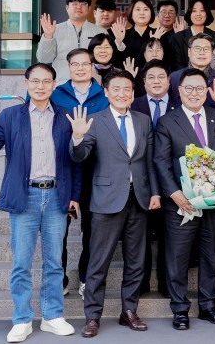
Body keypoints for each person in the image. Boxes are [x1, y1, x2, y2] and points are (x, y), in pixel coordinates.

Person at [0, 63, 80, 343]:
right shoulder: (11, 116)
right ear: (26, 83)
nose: (40, 86)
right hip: (25, 196)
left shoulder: (66, 116)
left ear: (54, 85)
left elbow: (76, 160)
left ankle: (52, 316)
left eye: (46, 81)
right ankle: (21, 319)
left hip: (56, 196)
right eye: (35, 81)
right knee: (21, 262)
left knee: (54, 262)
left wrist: (75, 195)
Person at [68, 70, 161, 337]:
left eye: (127, 89)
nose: (122, 94)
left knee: (136, 261)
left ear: (133, 93)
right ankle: (92, 316)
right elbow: (79, 156)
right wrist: (77, 137)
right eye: (116, 89)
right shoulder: (95, 120)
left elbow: (150, 160)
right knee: (98, 262)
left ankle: (129, 310)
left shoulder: (143, 121)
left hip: (139, 199)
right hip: (106, 200)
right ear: (106, 93)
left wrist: (155, 193)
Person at [154, 68, 215, 330]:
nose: (194, 93)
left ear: (207, 91)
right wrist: (174, 193)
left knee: (210, 255)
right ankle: (179, 309)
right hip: (181, 203)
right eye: (189, 88)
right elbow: (160, 161)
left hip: (211, 202)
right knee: (178, 257)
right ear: (179, 91)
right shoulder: (167, 121)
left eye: (200, 88)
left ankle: (208, 305)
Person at [50, 48, 109, 299]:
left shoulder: (104, 95)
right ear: (69, 67)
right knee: (58, 230)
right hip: (63, 170)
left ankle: (86, 278)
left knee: (92, 230)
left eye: (85, 64)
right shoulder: (56, 94)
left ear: (92, 66)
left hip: (96, 171)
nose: (81, 68)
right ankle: (60, 278)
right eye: (76, 64)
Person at [132, 60, 175, 299]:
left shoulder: (180, 104)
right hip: (141, 178)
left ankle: (168, 284)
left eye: (161, 77)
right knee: (141, 234)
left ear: (169, 81)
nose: (156, 81)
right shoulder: (133, 104)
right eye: (151, 77)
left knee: (170, 234)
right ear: (144, 82)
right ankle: (141, 282)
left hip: (173, 180)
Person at [38, 0, 107, 84]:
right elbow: (44, 59)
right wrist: (48, 37)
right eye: (74, 3)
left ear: (89, 8)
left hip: (92, 85)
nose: (79, 6)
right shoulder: (54, 30)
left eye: (83, 3)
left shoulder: (100, 32)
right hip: (63, 85)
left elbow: (107, 60)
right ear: (67, 7)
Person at [168, 34, 215, 114]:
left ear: (212, 53)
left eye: (206, 49)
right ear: (189, 52)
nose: (202, 52)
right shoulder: (173, 78)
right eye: (197, 49)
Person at [112, 0, 168, 67]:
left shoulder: (160, 33)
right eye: (138, 9)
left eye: (146, 9)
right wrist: (119, 42)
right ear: (131, 14)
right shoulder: (122, 35)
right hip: (128, 74)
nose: (142, 13)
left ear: (151, 14)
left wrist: (154, 41)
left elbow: (167, 61)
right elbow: (116, 62)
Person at [171, 0, 215, 71]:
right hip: (184, 76)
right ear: (190, 14)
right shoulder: (178, 37)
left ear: (207, 13)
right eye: (194, 11)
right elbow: (176, 64)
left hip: (209, 76)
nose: (198, 14)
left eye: (202, 10)